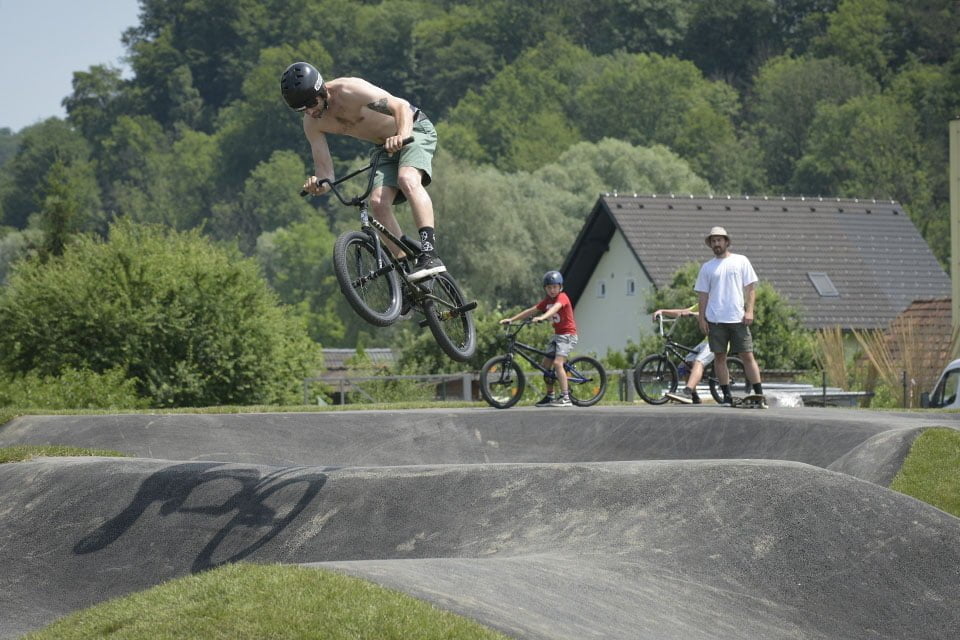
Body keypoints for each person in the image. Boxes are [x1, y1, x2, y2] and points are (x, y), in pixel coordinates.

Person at [280, 61, 443, 281]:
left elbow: (400, 106)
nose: (309, 110)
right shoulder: (312, 123)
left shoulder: (350, 90)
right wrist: (318, 185)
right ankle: (407, 270)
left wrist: (403, 135)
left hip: (412, 129)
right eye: (301, 108)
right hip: (384, 148)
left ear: (321, 89)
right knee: (377, 203)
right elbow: (326, 174)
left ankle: (430, 253)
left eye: (310, 102)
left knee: (407, 178)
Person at [694, 226, 766, 408]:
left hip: (737, 317)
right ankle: (726, 396)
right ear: (710, 244)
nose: (716, 244)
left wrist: (749, 311)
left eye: (719, 240)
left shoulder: (741, 261)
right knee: (719, 357)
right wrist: (701, 318)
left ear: (726, 242)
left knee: (747, 355)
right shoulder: (707, 267)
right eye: (713, 241)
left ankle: (759, 395)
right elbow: (703, 295)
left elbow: (750, 288)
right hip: (716, 319)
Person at [499, 270, 578, 407]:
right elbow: (531, 310)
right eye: (549, 287)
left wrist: (542, 317)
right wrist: (511, 319)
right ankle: (550, 396)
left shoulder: (562, 297)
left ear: (560, 287)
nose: (552, 290)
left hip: (568, 335)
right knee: (545, 366)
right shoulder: (547, 301)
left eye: (555, 287)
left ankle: (566, 397)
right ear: (545, 289)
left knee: (558, 364)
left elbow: (555, 309)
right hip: (557, 336)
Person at [654, 304, 712, 404]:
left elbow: (710, 315)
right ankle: (694, 397)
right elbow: (682, 311)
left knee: (698, 362)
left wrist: (693, 314)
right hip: (706, 341)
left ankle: (687, 391)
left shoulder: (717, 302)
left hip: (717, 341)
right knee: (684, 366)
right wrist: (662, 311)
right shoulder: (702, 303)